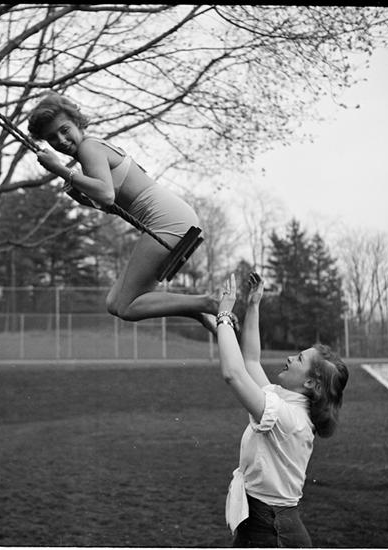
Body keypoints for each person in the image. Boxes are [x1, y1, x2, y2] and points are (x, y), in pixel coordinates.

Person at [27, 93, 219, 333]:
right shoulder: (93, 150)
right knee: (114, 303)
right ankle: (199, 309)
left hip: (167, 219)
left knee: (127, 306)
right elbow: (112, 204)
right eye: (52, 138)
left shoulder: (89, 147)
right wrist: (80, 195)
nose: (61, 140)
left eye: (64, 130)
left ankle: (207, 302)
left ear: (77, 122)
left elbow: (106, 194)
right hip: (173, 218)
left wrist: (60, 169)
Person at [215, 271, 349, 548]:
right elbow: (251, 361)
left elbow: (234, 374)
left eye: (299, 358)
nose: (289, 357)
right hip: (266, 525)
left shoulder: (287, 417)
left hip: (271, 532)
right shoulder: (284, 404)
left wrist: (224, 315)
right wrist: (254, 305)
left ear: (310, 382)